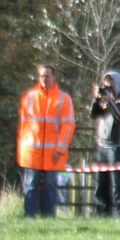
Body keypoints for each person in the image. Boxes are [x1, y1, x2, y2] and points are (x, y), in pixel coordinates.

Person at [17, 63, 74, 217]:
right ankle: (29, 217)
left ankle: (48, 219)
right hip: (32, 151)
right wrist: (23, 149)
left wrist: (59, 149)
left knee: (50, 187)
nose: (44, 79)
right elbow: (23, 126)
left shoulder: (63, 99)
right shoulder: (29, 97)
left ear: (54, 78)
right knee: (30, 186)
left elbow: (68, 126)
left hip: (53, 153)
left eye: (47, 76)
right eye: (42, 76)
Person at [92, 69, 120, 216]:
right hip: (102, 146)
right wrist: (97, 100)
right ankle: (102, 215)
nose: (107, 89)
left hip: (117, 147)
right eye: (105, 85)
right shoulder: (104, 98)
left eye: (110, 86)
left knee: (118, 185)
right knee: (101, 184)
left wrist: (111, 102)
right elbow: (94, 115)